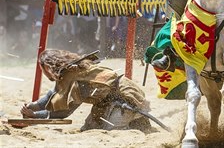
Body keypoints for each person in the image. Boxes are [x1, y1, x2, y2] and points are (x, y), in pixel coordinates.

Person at [21, 49, 152, 131]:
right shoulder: (67, 72)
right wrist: (35, 106)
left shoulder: (72, 75)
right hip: (106, 101)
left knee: (111, 130)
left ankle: (136, 119)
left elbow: (65, 111)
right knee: (89, 128)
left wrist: (35, 115)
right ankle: (137, 122)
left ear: (47, 67)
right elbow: (54, 94)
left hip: (125, 96)